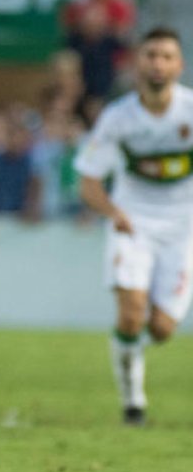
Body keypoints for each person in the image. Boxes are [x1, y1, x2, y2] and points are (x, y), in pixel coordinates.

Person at [74, 27, 193, 427]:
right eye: (150, 55)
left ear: (180, 65)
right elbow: (89, 182)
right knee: (130, 315)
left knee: (160, 328)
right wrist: (114, 213)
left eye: (166, 56)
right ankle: (133, 403)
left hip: (182, 229)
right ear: (138, 63)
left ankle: (138, 355)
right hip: (133, 223)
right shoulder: (118, 118)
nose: (157, 63)